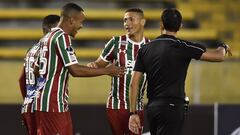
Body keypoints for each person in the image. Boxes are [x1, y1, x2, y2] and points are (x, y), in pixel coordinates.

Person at [128, 8, 232, 135]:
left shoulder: (145, 49)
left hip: (152, 108)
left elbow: (134, 83)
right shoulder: (184, 47)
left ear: (161, 24)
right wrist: (224, 47)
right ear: (180, 26)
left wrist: (133, 113)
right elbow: (218, 56)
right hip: (173, 107)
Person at [34, 3, 124, 135]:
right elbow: (75, 70)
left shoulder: (46, 37)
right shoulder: (61, 37)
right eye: (81, 22)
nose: (81, 26)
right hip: (53, 104)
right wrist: (107, 70)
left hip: (42, 102)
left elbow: (36, 70)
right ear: (71, 20)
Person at [87, 8, 149, 135]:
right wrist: (93, 65)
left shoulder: (150, 46)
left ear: (142, 22)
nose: (127, 23)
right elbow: (99, 64)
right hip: (116, 106)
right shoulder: (116, 43)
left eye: (131, 19)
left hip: (138, 107)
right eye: (125, 20)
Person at [18, 14, 60, 135]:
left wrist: (27, 101)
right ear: (45, 30)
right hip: (42, 107)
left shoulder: (30, 50)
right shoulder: (50, 50)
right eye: (55, 30)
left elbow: (21, 79)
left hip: (28, 106)